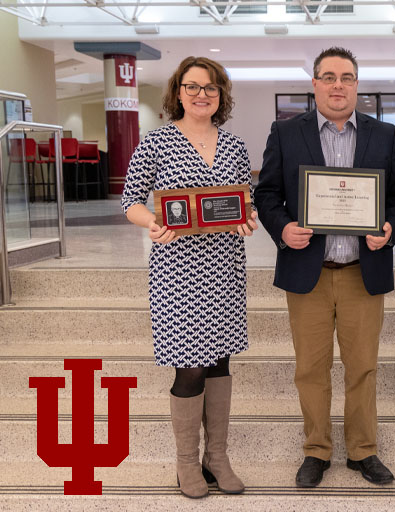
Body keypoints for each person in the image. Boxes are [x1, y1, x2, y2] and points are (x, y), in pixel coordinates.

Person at [253, 47, 395, 488]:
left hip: (364, 269)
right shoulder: (285, 132)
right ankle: (316, 450)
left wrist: (390, 228)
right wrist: (283, 229)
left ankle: (363, 451)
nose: (338, 85)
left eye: (346, 77)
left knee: (363, 367)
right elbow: (265, 195)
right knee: (311, 369)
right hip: (309, 271)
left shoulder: (385, 134)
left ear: (357, 85)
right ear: (315, 84)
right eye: (328, 77)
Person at [121, 56, 258, 499]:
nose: (202, 94)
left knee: (220, 363)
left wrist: (248, 217)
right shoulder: (156, 142)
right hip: (178, 272)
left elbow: (244, 200)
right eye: (193, 86)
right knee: (191, 368)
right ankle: (186, 463)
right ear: (178, 92)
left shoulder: (235, 146)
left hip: (223, 267)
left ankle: (216, 458)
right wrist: (152, 224)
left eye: (211, 88)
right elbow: (131, 200)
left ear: (221, 95)